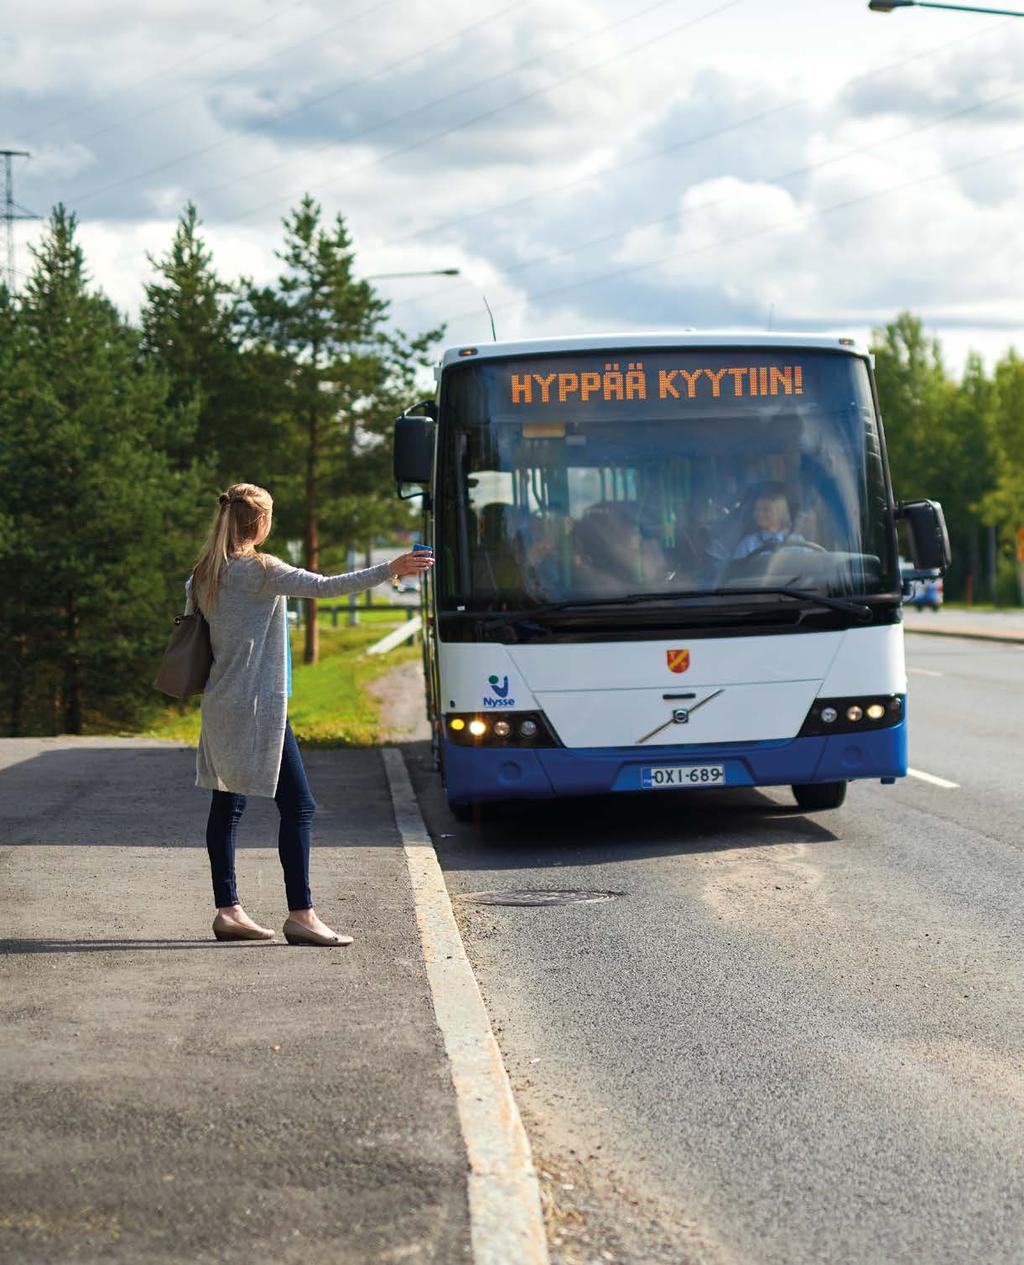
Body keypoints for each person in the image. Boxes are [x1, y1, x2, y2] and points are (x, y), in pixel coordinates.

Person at [187, 483, 433, 946]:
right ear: (259, 523)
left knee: (228, 803)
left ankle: (228, 910)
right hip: (259, 707)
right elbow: (326, 587)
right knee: (299, 806)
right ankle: (301, 914)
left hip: (219, 703)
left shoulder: (204, 574)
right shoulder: (261, 570)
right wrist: (392, 569)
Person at [731, 488, 806, 560]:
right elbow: (735, 570)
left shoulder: (797, 542)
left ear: (780, 514)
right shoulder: (748, 544)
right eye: (757, 509)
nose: (759, 513)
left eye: (766, 510)